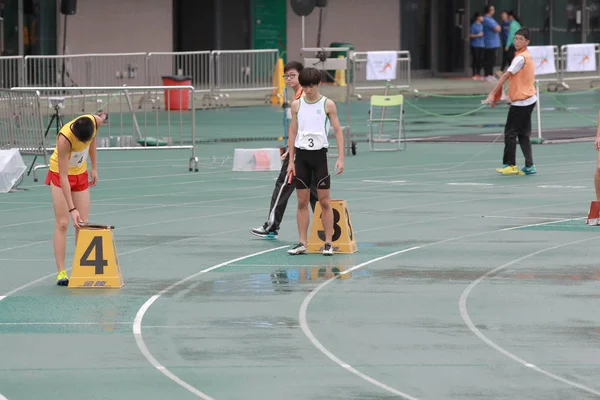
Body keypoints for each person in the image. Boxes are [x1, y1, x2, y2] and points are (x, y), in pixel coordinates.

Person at [250, 61, 319, 239]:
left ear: (301, 75)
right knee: (312, 191)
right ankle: (326, 229)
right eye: (286, 76)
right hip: (309, 149)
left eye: (292, 75)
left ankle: (272, 225)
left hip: (302, 150)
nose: (288, 79)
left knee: (283, 185)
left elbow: (302, 126)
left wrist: (292, 149)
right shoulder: (300, 94)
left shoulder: (303, 96)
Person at [286, 68, 344, 256]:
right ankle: (302, 242)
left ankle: (328, 242)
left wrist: (341, 158)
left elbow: (337, 131)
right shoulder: (296, 105)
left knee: (324, 202)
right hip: (302, 157)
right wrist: (291, 161)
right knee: (301, 202)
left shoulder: (328, 104)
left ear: (318, 84)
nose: (308, 90)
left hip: (320, 157)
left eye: (311, 86)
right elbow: (293, 131)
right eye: (305, 86)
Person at [45, 112, 107, 285]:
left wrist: (94, 167)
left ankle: (82, 268)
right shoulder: (65, 140)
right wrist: (72, 209)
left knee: (83, 223)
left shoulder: (96, 122)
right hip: (60, 176)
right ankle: (61, 272)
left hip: (80, 174)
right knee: (63, 223)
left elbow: (93, 140)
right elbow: (64, 177)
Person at [485, 28, 537, 176]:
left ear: (527, 42)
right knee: (523, 134)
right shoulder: (527, 56)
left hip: (521, 102)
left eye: (520, 39)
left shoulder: (520, 58)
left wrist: (492, 94)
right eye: (516, 38)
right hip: (529, 99)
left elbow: (505, 76)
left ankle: (510, 164)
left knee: (510, 133)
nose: (517, 41)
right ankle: (529, 166)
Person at [482, 4, 501, 82]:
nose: (494, 11)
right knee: (489, 59)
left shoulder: (491, 19)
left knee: (492, 59)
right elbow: (497, 28)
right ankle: (487, 75)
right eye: (492, 9)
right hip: (489, 42)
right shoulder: (486, 19)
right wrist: (497, 27)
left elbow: (499, 28)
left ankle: (490, 74)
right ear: (489, 10)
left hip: (494, 42)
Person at [470, 12, 485, 80]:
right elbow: (470, 35)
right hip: (475, 45)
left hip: (481, 45)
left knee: (480, 59)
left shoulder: (482, 25)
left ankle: (479, 73)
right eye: (481, 16)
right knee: (475, 59)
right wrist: (477, 35)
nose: (482, 18)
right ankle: (474, 73)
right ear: (478, 17)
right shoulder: (474, 25)